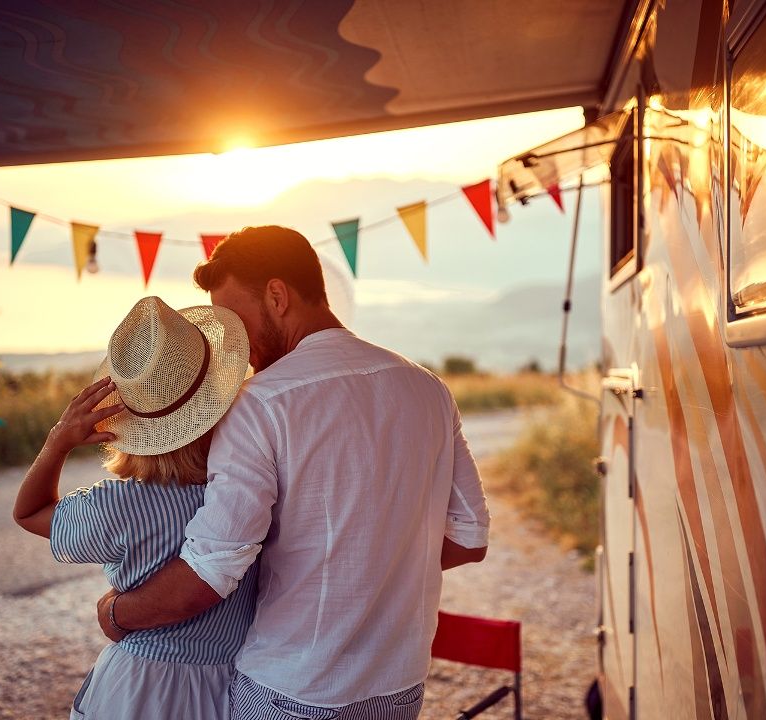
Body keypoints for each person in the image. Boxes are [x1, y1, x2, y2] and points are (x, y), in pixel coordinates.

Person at [96, 225, 491, 719]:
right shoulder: (427, 388)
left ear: (277, 295)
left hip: (292, 690)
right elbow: (470, 538)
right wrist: (377, 570)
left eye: (235, 317)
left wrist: (115, 612)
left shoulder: (260, 403)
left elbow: (210, 570)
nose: (233, 340)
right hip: (398, 685)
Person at [13, 296, 255, 719]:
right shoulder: (248, 496)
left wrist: (58, 440)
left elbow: (29, 513)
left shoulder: (118, 506)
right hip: (229, 686)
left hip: (139, 688)